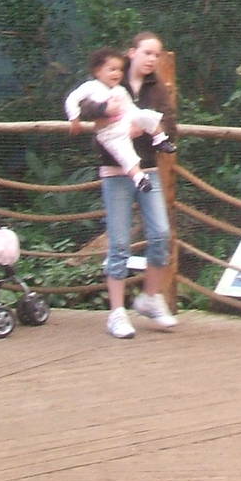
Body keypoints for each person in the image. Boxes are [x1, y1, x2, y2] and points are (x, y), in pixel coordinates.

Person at [83, 31, 179, 339]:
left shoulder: (158, 88)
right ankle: (116, 312)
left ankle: (150, 298)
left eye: (157, 55)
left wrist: (145, 132)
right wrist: (107, 114)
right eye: (147, 53)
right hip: (114, 171)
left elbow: (170, 124)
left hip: (148, 168)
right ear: (132, 53)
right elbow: (85, 106)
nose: (152, 59)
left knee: (161, 233)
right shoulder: (111, 77)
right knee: (120, 241)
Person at [65, 47, 174, 191]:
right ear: (98, 71)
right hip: (110, 132)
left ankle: (160, 139)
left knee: (147, 115)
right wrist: (74, 118)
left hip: (126, 121)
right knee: (125, 154)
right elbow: (72, 99)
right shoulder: (90, 87)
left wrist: (138, 121)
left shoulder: (120, 90)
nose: (117, 73)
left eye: (120, 70)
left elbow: (131, 108)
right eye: (112, 69)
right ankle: (139, 178)